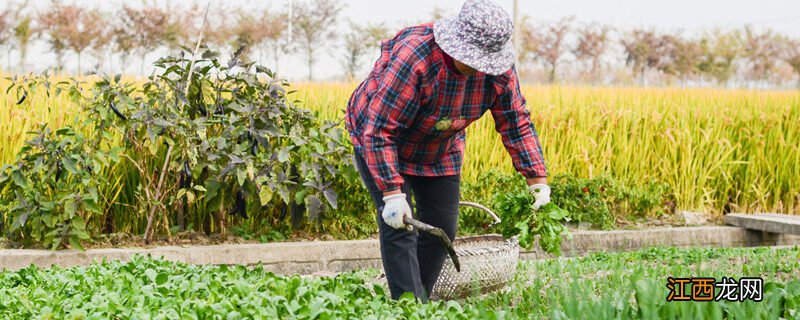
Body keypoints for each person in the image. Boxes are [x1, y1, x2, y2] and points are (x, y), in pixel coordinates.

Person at [345, 0, 550, 302]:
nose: (480, 67)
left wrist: (537, 180)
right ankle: (409, 307)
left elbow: (515, 121)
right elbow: (379, 130)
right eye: (474, 59)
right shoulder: (416, 59)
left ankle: (419, 300)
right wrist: (392, 193)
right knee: (400, 226)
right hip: (381, 140)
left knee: (443, 227)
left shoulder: (498, 72)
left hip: (440, 147)